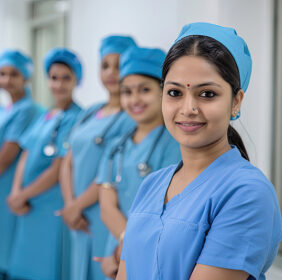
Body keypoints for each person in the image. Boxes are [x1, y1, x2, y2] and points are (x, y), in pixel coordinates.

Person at [116, 22, 282, 280]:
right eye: (174, 92)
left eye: (207, 93)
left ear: (236, 101)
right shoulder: (151, 185)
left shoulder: (247, 193)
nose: (188, 108)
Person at [94, 46, 181, 279]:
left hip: (153, 250)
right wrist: (123, 243)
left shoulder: (175, 144)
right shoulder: (116, 145)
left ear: (163, 91)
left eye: (144, 90)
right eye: (127, 91)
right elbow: (106, 205)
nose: (135, 99)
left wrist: (128, 248)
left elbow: (167, 206)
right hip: (117, 247)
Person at [58, 35, 136, 280]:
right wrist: (70, 205)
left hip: (101, 213)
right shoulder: (91, 111)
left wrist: (77, 206)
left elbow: (109, 171)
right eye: (105, 65)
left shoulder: (131, 118)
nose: (112, 72)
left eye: (119, 65)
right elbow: (67, 160)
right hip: (76, 214)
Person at [7, 47, 83, 280]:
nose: (58, 84)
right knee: (25, 264)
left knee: (46, 266)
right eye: (53, 78)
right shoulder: (45, 115)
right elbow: (26, 153)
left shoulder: (77, 117)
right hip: (29, 201)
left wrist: (23, 195)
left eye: (65, 78)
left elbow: (58, 168)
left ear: (76, 80)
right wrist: (15, 191)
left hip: (50, 203)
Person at [0, 50, 45, 279]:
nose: (6, 80)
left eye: (14, 74)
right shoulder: (4, 110)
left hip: (6, 186)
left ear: (26, 77)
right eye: (2, 74)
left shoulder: (28, 109)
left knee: (5, 249)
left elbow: (6, 155)